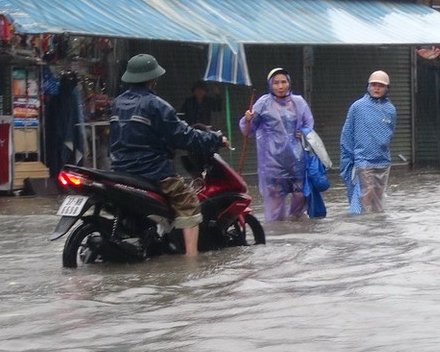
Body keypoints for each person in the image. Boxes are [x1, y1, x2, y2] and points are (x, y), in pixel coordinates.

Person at [109, 54, 226, 258]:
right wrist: (216, 139)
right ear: (152, 79)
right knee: (189, 202)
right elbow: (184, 136)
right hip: (152, 172)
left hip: (120, 170)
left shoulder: (118, 102)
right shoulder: (156, 105)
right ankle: (191, 261)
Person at [240, 68, 315, 222]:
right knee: (276, 207)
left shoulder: (299, 102)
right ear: (270, 85)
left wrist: (304, 132)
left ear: (289, 83)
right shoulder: (262, 103)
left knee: (300, 197)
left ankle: (297, 232)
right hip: (273, 162)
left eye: (283, 82)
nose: (280, 86)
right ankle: (277, 236)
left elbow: (309, 125)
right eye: (276, 83)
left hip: (297, 160)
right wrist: (247, 119)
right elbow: (248, 131)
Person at [340, 70, 397, 214]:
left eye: (381, 86)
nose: (377, 88)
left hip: (383, 159)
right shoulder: (357, 107)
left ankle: (376, 224)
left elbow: (390, 131)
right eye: (374, 85)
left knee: (378, 194)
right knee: (367, 191)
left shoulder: (390, 109)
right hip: (363, 158)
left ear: (386, 88)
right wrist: (349, 156)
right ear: (368, 86)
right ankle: (364, 221)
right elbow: (347, 132)